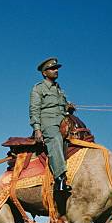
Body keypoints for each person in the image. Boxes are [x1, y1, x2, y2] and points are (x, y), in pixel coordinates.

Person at [29, 57, 75, 192]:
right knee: (55, 139)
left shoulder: (59, 89)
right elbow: (34, 110)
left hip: (63, 119)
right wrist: (37, 129)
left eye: (56, 68)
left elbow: (62, 106)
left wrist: (68, 108)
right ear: (44, 72)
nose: (56, 70)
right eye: (52, 68)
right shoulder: (38, 89)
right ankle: (60, 178)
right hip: (48, 122)